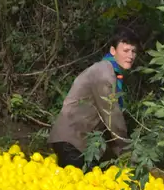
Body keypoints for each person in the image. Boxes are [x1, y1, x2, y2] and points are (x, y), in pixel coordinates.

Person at [48, 28, 140, 168]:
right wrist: (127, 153)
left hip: (79, 142)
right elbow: (112, 117)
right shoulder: (104, 74)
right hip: (72, 141)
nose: (131, 56)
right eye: (125, 51)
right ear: (113, 51)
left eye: (133, 51)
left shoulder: (109, 71)